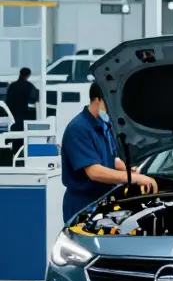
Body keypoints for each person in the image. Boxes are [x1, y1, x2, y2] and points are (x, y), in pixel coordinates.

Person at [60, 82, 157, 222]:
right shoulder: (79, 129)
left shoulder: (105, 125)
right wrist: (132, 178)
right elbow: (94, 172)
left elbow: (112, 158)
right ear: (97, 99)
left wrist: (128, 169)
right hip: (83, 203)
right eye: (110, 103)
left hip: (103, 198)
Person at [5, 67, 36, 132]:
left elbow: (7, 100)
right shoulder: (29, 86)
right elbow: (33, 102)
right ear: (28, 75)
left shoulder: (12, 86)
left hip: (12, 116)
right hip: (25, 116)